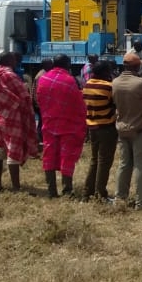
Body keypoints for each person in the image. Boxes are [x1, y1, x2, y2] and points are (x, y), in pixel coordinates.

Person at [36, 54, 87, 198]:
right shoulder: (69, 80)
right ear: (67, 64)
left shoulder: (43, 79)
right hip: (68, 125)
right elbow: (79, 104)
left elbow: (39, 100)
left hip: (49, 123)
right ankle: (67, 190)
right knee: (67, 157)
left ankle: (51, 190)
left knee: (49, 155)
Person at [113, 51, 142, 209]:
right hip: (140, 129)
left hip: (122, 129)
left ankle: (119, 199)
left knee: (124, 165)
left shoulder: (115, 83)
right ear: (137, 67)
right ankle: (141, 202)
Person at [0, 51, 38, 192]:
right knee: (13, 151)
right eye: (14, 59)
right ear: (10, 60)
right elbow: (24, 96)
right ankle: (16, 187)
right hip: (13, 117)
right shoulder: (9, 75)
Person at [82, 61, 117, 201]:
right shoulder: (108, 87)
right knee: (105, 162)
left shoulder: (87, 85)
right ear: (104, 73)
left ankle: (87, 192)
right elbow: (115, 103)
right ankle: (100, 193)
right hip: (106, 127)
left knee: (94, 160)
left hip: (92, 127)